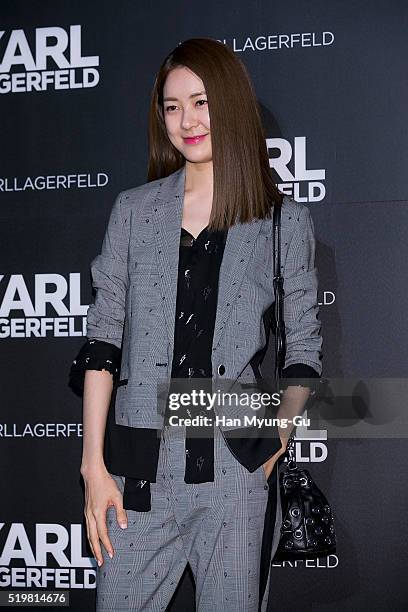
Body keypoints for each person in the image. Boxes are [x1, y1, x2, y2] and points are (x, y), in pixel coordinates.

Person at [69, 38, 322, 612]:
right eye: (172, 106)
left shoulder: (279, 219)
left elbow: (303, 345)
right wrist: (93, 468)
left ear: (229, 104)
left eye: (201, 101)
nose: (187, 120)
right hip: (134, 476)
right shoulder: (133, 212)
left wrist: (273, 442)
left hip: (235, 468)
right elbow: (103, 340)